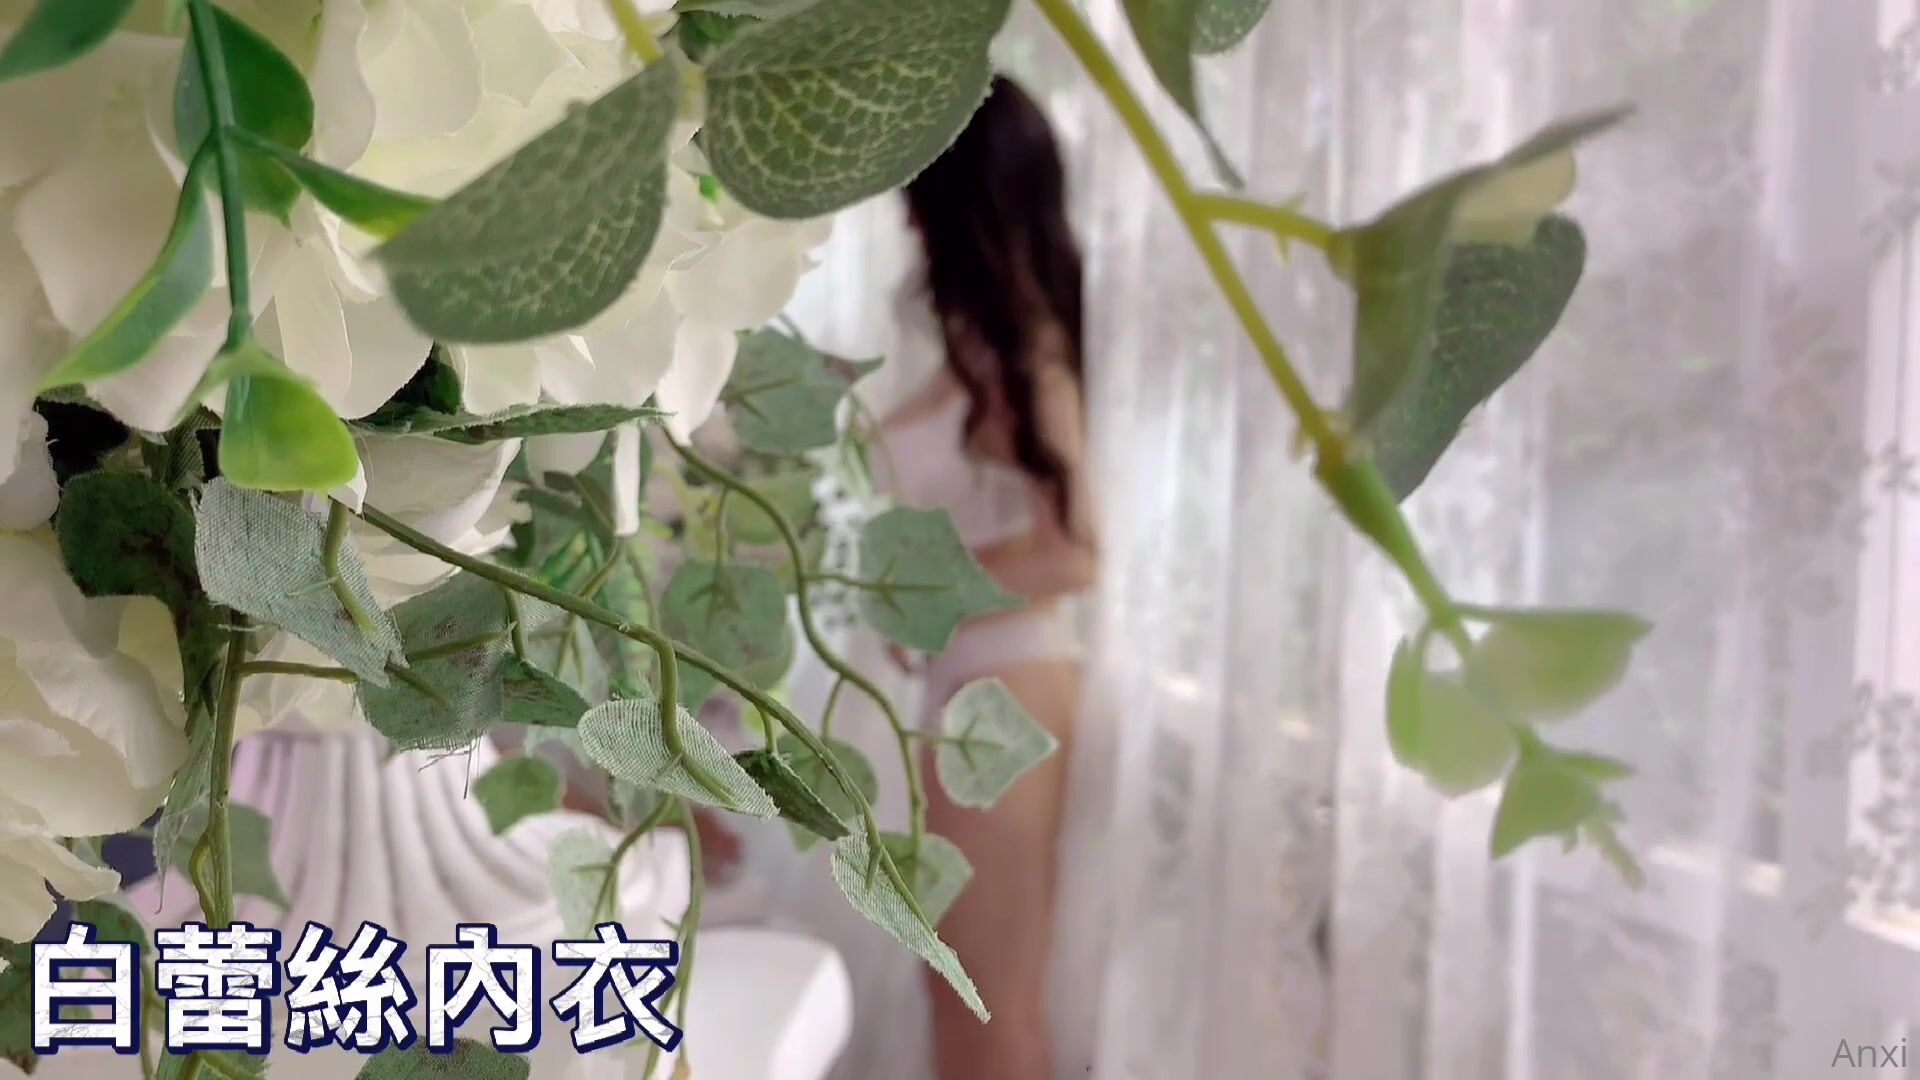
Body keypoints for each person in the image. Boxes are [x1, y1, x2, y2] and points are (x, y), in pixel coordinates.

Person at [878, 73, 1097, 1079]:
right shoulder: (973, 346)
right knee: (957, 997)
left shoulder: (1026, 350)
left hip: (1009, 693)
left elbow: (1075, 550)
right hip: (966, 694)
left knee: (990, 1006)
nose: (904, 215)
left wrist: (928, 593)